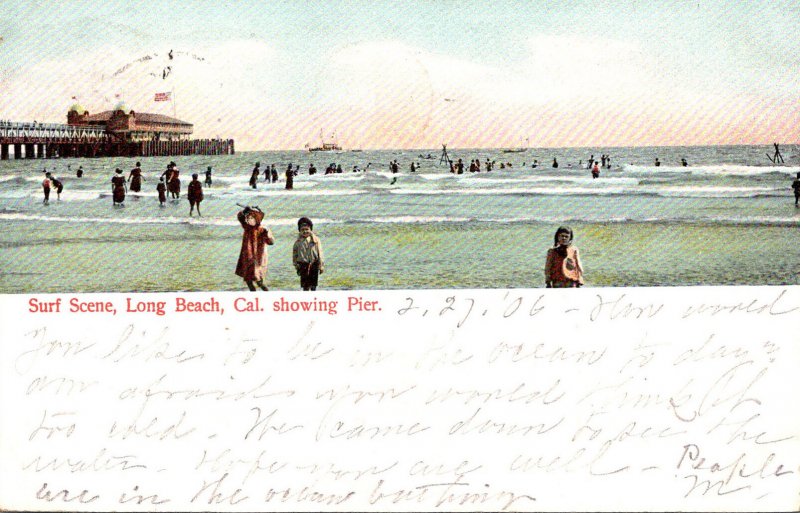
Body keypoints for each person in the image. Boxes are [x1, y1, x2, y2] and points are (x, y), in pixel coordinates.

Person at [235, 206, 275, 291]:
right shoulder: (247, 227)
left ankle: (268, 294)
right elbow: (240, 217)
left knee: (259, 281)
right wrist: (244, 211)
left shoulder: (262, 230)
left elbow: (270, 242)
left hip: (257, 259)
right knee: (248, 281)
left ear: (256, 219)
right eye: (248, 218)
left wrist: (268, 234)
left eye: (252, 218)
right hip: (247, 258)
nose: (249, 220)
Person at [293, 217, 324, 291]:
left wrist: (321, 265)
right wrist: (296, 266)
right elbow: (295, 255)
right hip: (303, 265)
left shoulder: (315, 240)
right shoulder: (297, 242)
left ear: (311, 230)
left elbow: (320, 253)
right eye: (302, 230)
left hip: (314, 264)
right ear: (299, 231)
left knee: (313, 285)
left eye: (307, 229)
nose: (305, 231)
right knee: (305, 286)